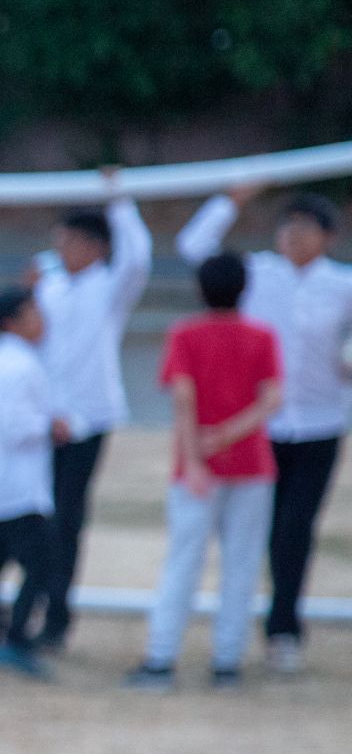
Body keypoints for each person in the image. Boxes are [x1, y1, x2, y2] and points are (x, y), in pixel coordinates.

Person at [176, 186, 352, 672]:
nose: (293, 235)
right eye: (286, 225)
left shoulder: (340, 284)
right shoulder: (260, 274)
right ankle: (230, 631)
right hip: (259, 426)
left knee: (295, 531)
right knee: (252, 531)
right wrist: (229, 202)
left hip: (318, 425)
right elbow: (195, 248)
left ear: (329, 237)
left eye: (305, 227)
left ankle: (283, 629)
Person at [127, 253, 283, 691]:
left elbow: (183, 396)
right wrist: (231, 435)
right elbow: (271, 399)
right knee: (242, 563)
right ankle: (226, 663)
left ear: (200, 289)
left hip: (198, 466)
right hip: (251, 462)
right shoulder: (262, 336)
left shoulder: (186, 334)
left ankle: (161, 658)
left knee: (183, 561)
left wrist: (197, 455)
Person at [31, 182, 153, 648]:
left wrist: (120, 199)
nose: (59, 250)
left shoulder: (110, 286)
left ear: (95, 247)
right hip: (42, 420)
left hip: (87, 420)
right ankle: (31, 605)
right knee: (33, 517)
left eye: (68, 242)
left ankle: (57, 615)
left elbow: (138, 258)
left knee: (67, 518)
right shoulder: (49, 284)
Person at [0, 286, 56, 679]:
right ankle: (16, 638)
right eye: (32, 312)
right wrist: (53, 426)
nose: (41, 319)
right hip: (16, 488)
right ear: (10, 322)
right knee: (41, 565)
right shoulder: (19, 365)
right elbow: (15, 427)